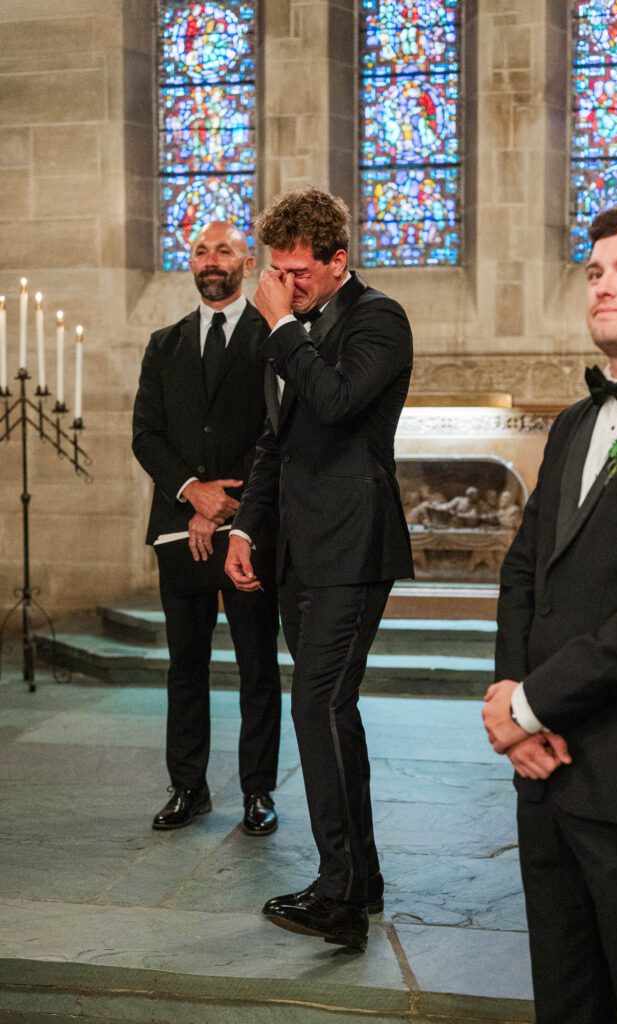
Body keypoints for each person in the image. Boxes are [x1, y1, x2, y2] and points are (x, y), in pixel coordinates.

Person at [482, 198, 617, 1024]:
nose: (603, 286)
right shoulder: (572, 423)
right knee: (564, 998)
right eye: (595, 272)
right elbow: (524, 571)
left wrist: (530, 704)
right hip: (546, 771)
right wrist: (508, 696)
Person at [225, 187, 414, 951]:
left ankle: (338, 898)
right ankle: (358, 878)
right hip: (299, 551)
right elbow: (277, 441)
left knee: (316, 707)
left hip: (354, 546)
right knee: (333, 715)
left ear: (338, 262)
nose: (284, 283)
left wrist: (278, 325)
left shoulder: (378, 319)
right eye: (276, 271)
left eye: (298, 272)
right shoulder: (294, 332)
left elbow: (335, 403)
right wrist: (246, 528)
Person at [132, 222, 281, 837]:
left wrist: (229, 507)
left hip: (249, 528)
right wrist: (192, 495)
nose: (211, 259)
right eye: (201, 250)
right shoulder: (163, 343)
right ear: (189, 263)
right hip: (180, 531)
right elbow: (147, 434)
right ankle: (188, 786)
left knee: (256, 665)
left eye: (224, 250)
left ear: (247, 263)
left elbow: (277, 432)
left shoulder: (273, 338)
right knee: (185, 667)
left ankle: (257, 792)